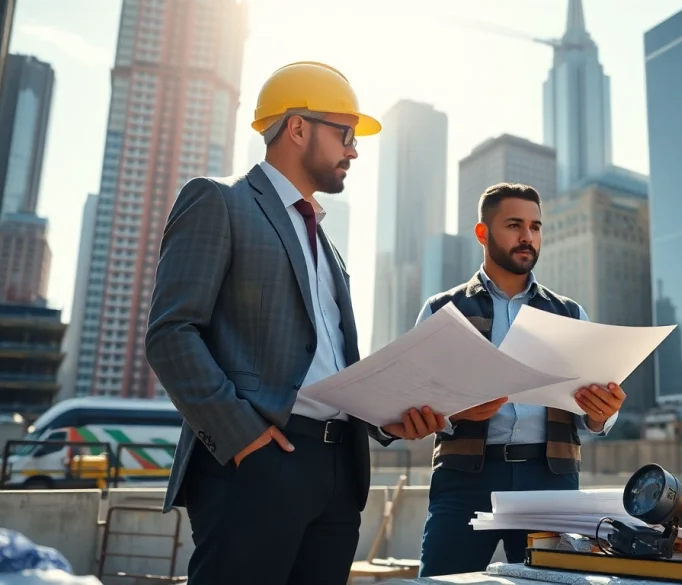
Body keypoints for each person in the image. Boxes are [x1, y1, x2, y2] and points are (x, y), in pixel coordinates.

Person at [145, 61, 446, 585]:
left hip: (338, 472)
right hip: (258, 462)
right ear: (298, 127)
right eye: (345, 134)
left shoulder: (327, 246)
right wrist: (244, 438)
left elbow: (329, 364)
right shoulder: (219, 200)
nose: (354, 151)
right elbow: (171, 334)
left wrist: (385, 419)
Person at [415, 182, 628, 576]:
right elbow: (416, 398)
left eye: (535, 226)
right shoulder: (443, 309)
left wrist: (602, 413)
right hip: (464, 480)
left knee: (557, 584)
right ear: (483, 233)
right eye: (514, 225)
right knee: (442, 581)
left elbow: (593, 416)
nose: (527, 236)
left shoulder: (569, 313)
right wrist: (456, 410)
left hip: (550, 480)